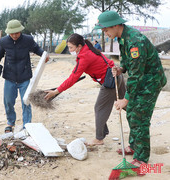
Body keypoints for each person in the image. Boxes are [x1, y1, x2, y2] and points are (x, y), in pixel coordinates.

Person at [94, 10, 167, 166]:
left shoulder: (135, 41)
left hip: (150, 81)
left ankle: (141, 158)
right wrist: (121, 69)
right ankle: (134, 146)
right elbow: (129, 63)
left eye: (106, 30)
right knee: (133, 113)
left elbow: (135, 76)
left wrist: (125, 99)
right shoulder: (122, 38)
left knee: (139, 117)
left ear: (115, 25)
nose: (105, 33)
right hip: (142, 78)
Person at [44, 33, 126, 146]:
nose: (69, 50)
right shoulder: (87, 50)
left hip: (110, 81)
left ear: (79, 46)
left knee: (99, 108)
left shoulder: (84, 56)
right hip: (117, 76)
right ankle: (140, 120)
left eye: (71, 47)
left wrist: (56, 91)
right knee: (126, 103)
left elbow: (73, 78)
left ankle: (99, 138)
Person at [0, 19, 49, 132]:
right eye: (12, 33)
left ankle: (27, 125)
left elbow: (36, 48)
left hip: (25, 76)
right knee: (8, 101)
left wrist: (43, 54)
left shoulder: (28, 39)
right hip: (9, 76)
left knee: (26, 101)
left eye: (16, 33)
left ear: (20, 31)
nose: (14, 35)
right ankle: (10, 122)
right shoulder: (3, 41)